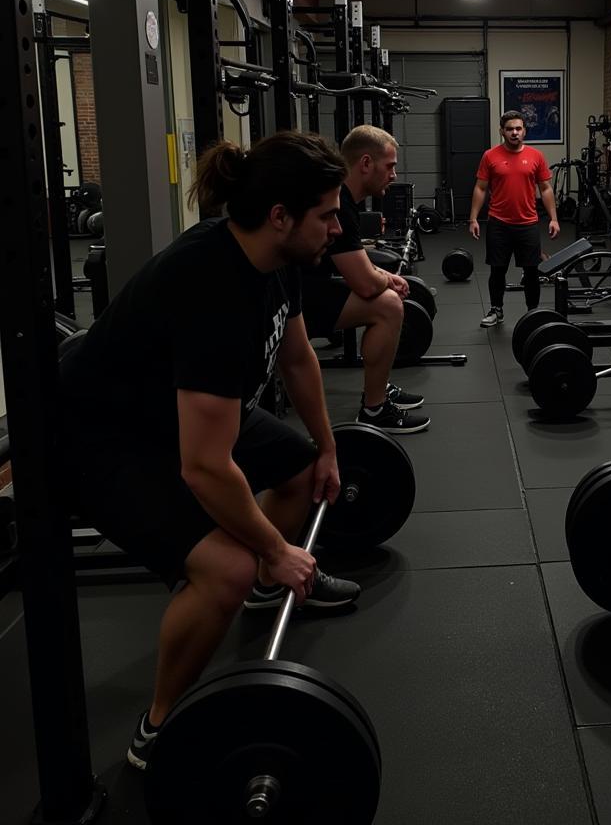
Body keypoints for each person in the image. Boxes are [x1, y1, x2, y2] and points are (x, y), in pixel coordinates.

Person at [59, 131, 363, 770]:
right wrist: (276, 550)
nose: (339, 227)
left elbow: (299, 357)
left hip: (171, 412)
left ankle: (257, 585)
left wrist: (328, 449)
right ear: (280, 216)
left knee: (302, 471)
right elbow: (203, 466)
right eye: (328, 214)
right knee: (223, 567)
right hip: (100, 433)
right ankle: (159, 727)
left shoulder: (278, 262)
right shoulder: (211, 288)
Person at [301, 125, 429, 433]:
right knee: (388, 306)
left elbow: (353, 263)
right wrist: (384, 282)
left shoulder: (343, 198)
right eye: (390, 166)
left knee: (386, 293)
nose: (394, 175)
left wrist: (384, 276)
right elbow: (365, 284)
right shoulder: (340, 203)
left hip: (310, 287)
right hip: (297, 299)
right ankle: (374, 410)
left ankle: (378, 389)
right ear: (366, 164)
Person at [469, 110, 560, 327]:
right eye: (509, 129)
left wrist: (554, 218)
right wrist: (473, 218)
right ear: (502, 131)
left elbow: (545, 188)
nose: (514, 133)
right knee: (497, 269)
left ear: (524, 131)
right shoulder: (490, 156)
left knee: (531, 271)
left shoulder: (536, 156)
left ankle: (533, 312)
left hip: (527, 223)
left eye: (518, 128)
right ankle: (496, 309)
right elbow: (480, 188)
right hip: (498, 223)